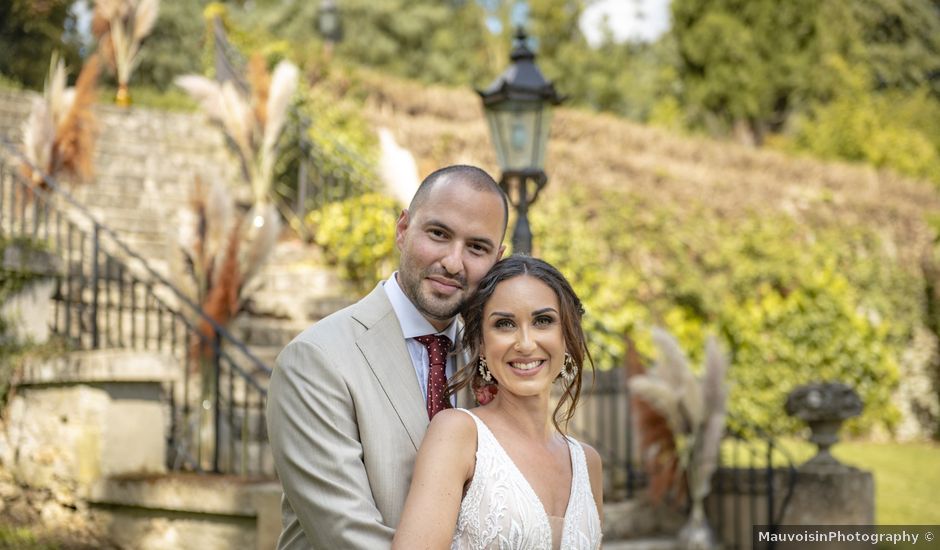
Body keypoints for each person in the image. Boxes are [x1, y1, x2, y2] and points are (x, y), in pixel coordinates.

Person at [266, 165, 508, 549]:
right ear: (403, 229)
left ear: (498, 258)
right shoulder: (315, 360)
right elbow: (348, 536)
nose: (453, 262)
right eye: (438, 234)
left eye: (476, 247)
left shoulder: (493, 361)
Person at [393, 255, 604, 550]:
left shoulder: (587, 462)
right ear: (480, 343)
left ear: (567, 335)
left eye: (543, 321)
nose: (526, 343)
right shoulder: (459, 434)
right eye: (504, 324)